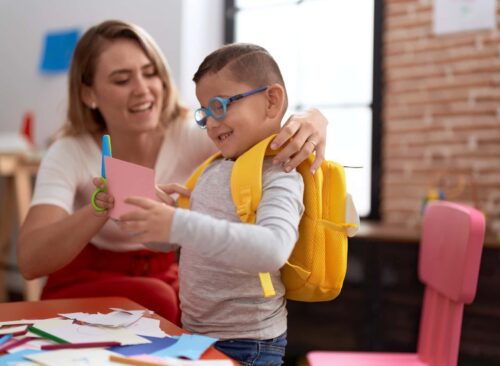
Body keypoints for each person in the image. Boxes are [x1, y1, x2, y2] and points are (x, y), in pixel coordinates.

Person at [16, 20, 328, 325]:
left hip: (166, 278)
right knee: (163, 298)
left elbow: (264, 142)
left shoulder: (195, 133)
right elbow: (30, 261)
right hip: (87, 280)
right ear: (89, 95)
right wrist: (99, 207)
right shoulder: (71, 150)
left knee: (185, 301)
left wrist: (311, 118)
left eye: (150, 73)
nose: (143, 89)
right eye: (122, 80)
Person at [120, 43, 304, 366]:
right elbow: (170, 241)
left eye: (219, 106)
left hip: (248, 345)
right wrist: (134, 212)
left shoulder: (279, 171)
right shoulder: (213, 168)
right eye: (204, 114)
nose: (212, 124)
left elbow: (273, 248)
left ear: (271, 101)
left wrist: (176, 221)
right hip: (195, 334)